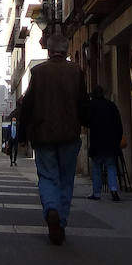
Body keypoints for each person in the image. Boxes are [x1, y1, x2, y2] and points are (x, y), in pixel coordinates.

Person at [19, 31, 88, 244]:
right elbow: (83, 103)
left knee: (48, 176)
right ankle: (61, 220)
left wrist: (22, 134)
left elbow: (28, 105)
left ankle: (51, 209)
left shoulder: (38, 72)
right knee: (66, 179)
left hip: (43, 135)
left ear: (49, 51)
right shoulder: (76, 71)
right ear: (66, 50)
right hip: (69, 134)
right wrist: (85, 123)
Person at [85, 85, 123, 201]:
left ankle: (96, 193)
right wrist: (117, 139)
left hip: (97, 142)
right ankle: (113, 189)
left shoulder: (92, 106)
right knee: (111, 166)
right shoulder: (111, 106)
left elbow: (87, 121)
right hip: (111, 143)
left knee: (96, 167)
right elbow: (118, 124)